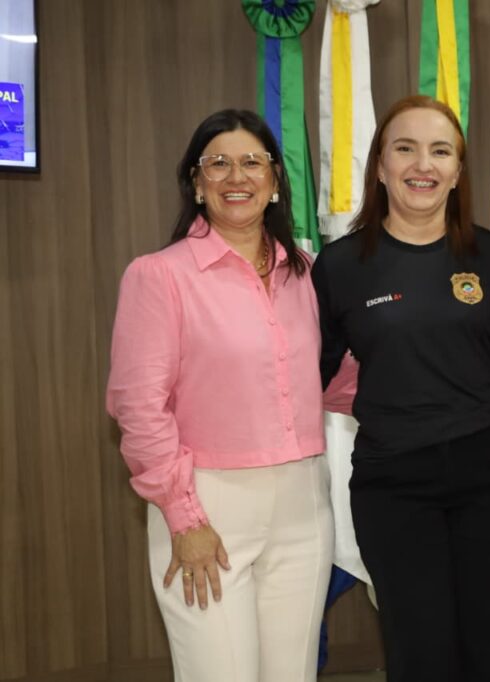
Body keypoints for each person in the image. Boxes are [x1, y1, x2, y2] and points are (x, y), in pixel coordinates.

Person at [106, 109, 332, 681]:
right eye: (218, 164)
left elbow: (336, 378)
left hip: (304, 504)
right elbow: (139, 407)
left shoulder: (307, 273)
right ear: (196, 182)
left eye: (253, 162)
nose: (237, 176)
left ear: (275, 180)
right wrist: (184, 518)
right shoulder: (159, 275)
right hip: (206, 505)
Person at [312, 95, 490, 682]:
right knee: (419, 652)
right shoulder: (340, 266)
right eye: (405, 148)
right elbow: (311, 373)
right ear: (381, 166)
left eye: (440, 152)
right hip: (394, 484)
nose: (422, 165)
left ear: (458, 171)